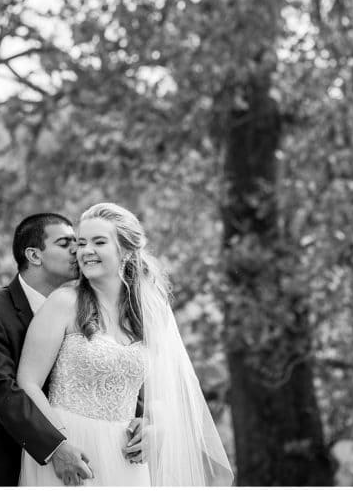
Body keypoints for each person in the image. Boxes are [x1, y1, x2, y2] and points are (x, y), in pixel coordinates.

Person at [17, 202, 233, 486]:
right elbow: (28, 382)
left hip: (125, 457)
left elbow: (160, 390)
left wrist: (154, 426)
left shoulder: (150, 313)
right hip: (71, 450)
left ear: (126, 251)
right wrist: (58, 445)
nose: (86, 251)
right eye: (82, 242)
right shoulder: (63, 302)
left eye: (99, 242)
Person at [0, 213, 95, 486]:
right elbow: (1, 390)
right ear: (34, 255)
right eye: (65, 243)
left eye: (77, 242)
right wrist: (56, 447)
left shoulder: (81, 310)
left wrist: (138, 417)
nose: (76, 250)